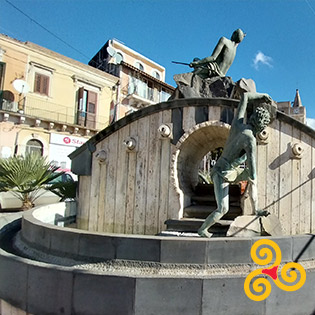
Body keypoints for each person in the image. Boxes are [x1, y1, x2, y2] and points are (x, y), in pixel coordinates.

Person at [198, 92, 273, 238]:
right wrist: (252, 177)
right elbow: (252, 168)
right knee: (223, 209)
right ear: (261, 126)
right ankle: (202, 229)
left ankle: (256, 208)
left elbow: (245, 96)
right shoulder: (250, 139)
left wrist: (261, 95)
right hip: (222, 173)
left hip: (228, 170)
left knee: (252, 178)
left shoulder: (237, 124)